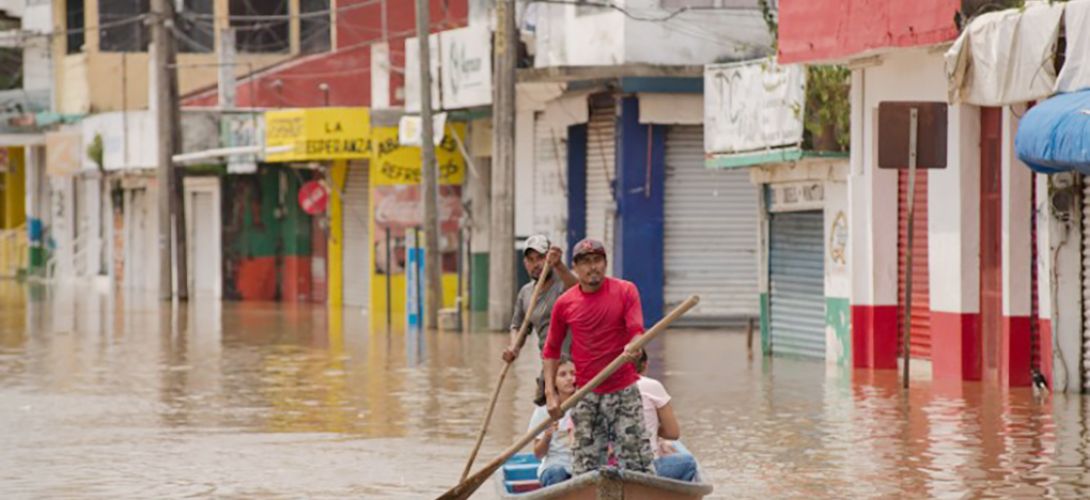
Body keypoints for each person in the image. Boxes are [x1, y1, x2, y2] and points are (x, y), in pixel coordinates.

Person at [542, 238, 654, 476]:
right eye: (586, 262)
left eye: (597, 261)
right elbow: (551, 350)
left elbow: (637, 331)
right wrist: (550, 395)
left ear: (605, 263)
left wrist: (634, 347)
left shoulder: (625, 290)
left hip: (624, 390)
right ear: (575, 267)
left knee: (638, 464)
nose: (592, 267)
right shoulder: (565, 303)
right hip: (586, 393)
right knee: (585, 469)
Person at [501, 235, 578, 405]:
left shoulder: (563, 283)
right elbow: (518, 326)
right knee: (545, 417)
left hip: (576, 365)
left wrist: (559, 265)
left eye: (541, 258)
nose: (536, 264)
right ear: (525, 263)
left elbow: (580, 291)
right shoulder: (526, 293)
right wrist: (514, 347)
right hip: (550, 368)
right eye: (531, 260)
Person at [636, 350, 699, 482]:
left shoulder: (601, 386)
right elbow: (673, 433)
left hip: (611, 464)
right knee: (689, 462)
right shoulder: (651, 385)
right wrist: (652, 430)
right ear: (646, 364)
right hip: (645, 466)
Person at [527, 357, 577, 487]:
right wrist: (547, 437)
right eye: (562, 375)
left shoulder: (585, 405)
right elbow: (538, 454)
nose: (569, 378)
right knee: (557, 473)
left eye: (573, 373)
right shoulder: (543, 411)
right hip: (554, 468)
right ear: (552, 381)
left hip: (580, 466)